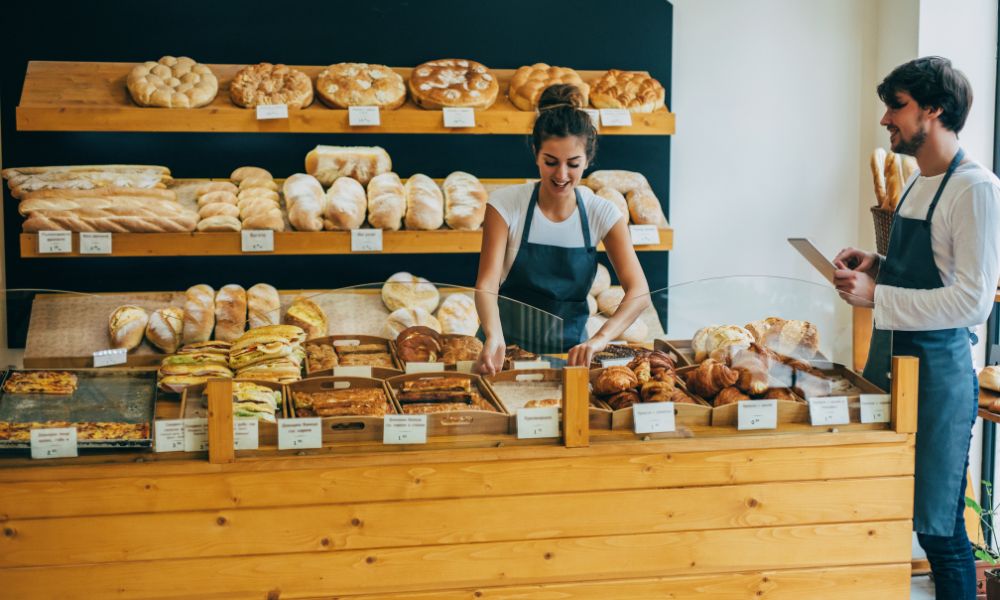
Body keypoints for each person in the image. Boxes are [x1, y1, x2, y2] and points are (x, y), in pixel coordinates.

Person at [834, 56, 1000, 599]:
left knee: (941, 529)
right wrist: (874, 266)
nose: (886, 118)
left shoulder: (975, 189)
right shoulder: (918, 182)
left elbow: (972, 302)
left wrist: (877, 296)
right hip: (890, 366)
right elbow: (924, 273)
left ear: (936, 109)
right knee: (882, 508)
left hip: (937, 380)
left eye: (897, 106)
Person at [475, 84, 650, 372]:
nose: (561, 175)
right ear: (535, 153)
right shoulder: (505, 205)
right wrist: (493, 335)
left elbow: (639, 292)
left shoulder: (601, 212)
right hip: (503, 354)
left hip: (571, 356)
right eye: (550, 162)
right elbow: (486, 284)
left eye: (573, 164)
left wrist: (601, 339)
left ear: (588, 160)